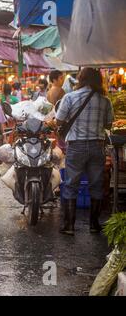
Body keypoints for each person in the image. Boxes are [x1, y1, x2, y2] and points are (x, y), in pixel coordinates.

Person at [56, 67, 114, 236]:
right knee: (96, 184)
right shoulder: (105, 101)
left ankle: (69, 226)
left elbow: (59, 120)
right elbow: (109, 125)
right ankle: (94, 225)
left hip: (76, 146)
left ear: (80, 79)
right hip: (97, 146)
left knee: (71, 184)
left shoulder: (69, 97)